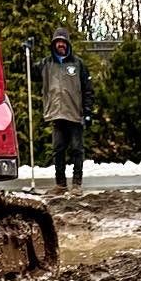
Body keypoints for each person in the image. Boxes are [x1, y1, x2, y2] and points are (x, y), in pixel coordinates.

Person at [41, 27, 92, 192]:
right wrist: (26, 52)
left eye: (63, 42)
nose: (60, 45)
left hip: (74, 113)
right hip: (57, 113)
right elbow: (27, 69)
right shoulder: (47, 64)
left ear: (68, 43)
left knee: (77, 149)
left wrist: (88, 111)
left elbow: (87, 89)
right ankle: (60, 183)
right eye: (58, 42)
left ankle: (77, 183)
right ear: (54, 44)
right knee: (58, 150)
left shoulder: (78, 64)